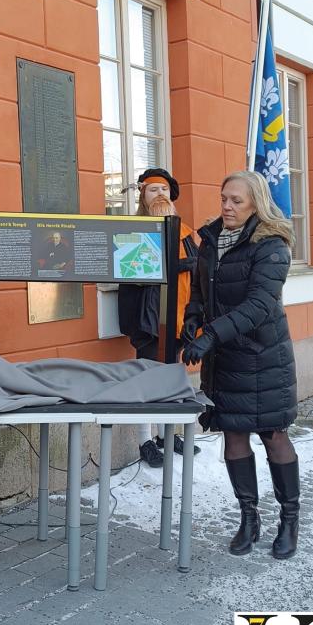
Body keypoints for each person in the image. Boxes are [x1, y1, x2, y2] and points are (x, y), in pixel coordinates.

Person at [181, 170, 299, 560]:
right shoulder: (212, 239)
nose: (227, 207)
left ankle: (289, 518)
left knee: (273, 436)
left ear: (256, 204)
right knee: (233, 435)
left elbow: (260, 305)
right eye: (224, 199)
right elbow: (200, 288)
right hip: (226, 359)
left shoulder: (271, 243)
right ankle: (249, 518)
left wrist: (211, 335)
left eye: (237, 201)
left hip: (263, 357)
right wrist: (193, 320)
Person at [117, 167, 199, 467]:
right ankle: (145, 440)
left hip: (179, 317)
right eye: (153, 190)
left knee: (172, 377)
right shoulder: (133, 232)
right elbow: (131, 273)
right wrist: (174, 267)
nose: (160, 194)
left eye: (164, 190)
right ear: (143, 196)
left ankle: (167, 433)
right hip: (148, 320)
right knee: (148, 379)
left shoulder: (186, 232)